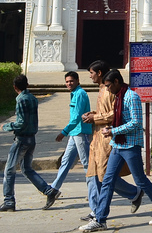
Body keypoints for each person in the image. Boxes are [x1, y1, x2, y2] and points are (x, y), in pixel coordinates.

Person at [81, 69, 152, 231]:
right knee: (107, 181)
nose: (107, 89)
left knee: (140, 180)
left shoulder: (131, 96)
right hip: (118, 144)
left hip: (131, 145)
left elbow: (136, 123)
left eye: (109, 86)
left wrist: (113, 131)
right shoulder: (118, 97)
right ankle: (100, 219)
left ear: (117, 82)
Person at [79, 60, 143, 223]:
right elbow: (104, 111)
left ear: (100, 73)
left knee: (105, 177)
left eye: (92, 72)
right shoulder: (102, 89)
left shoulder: (113, 91)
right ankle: (96, 211)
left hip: (108, 137)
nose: (90, 76)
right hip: (97, 137)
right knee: (93, 174)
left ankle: (132, 193)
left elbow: (116, 114)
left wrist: (96, 118)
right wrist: (92, 114)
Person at [0, 74, 58, 212]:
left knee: (9, 170)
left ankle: (8, 200)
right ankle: (48, 191)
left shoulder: (21, 99)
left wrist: (7, 126)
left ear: (15, 87)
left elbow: (21, 123)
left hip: (21, 139)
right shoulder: (33, 98)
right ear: (27, 85)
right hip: (31, 138)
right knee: (26, 169)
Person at [45, 71, 92, 208]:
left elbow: (77, 117)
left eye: (71, 81)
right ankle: (54, 189)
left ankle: (94, 192)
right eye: (67, 81)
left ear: (77, 81)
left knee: (87, 164)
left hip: (81, 132)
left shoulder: (80, 94)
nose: (68, 84)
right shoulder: (75, 94)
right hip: (75, 132)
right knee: (65, 161)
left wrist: (63, 132)